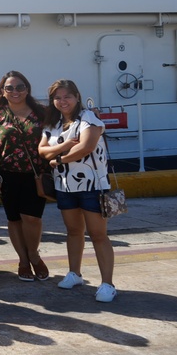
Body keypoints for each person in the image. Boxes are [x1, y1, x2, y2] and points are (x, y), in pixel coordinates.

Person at [38, 79, 117, 303]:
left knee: (98, 235)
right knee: (73, 231)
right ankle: (75, 273)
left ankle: (108, 284)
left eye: (67, 96)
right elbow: (42, 151)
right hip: (65, 186)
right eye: (58, 97)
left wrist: (59, 160)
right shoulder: (52, 124)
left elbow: (86, 146)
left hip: (93, 186)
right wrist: (61, 149)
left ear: (77, 97)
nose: (63, 101)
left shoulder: (89, 118)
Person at [0, 71, 50, 282]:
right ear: (3, 91)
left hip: (35, 174)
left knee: (32, 218)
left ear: (28, 89)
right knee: (14, 219)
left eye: (20, 87)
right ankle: (23, 260)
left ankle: (34, 254)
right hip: (7, 174)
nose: (15, 92)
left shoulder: (42, 113)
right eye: (10, 88)